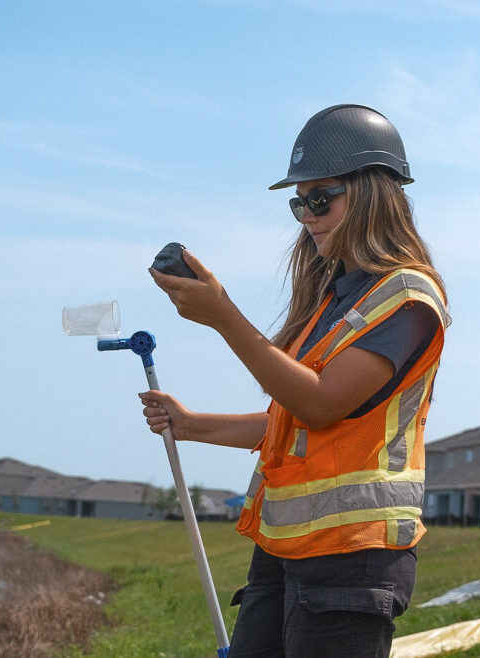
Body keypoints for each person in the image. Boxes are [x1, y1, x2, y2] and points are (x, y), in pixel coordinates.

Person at [140, 104, 450, 658]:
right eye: (298, 201)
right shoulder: (333, 300)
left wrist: (223, 316)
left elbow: (321, 405)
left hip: (353, 556)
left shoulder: (406, 299)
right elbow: (291, 421)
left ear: (373, 193)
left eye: (320, 197)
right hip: (287, 547)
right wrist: (191, 425)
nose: (306, 214)